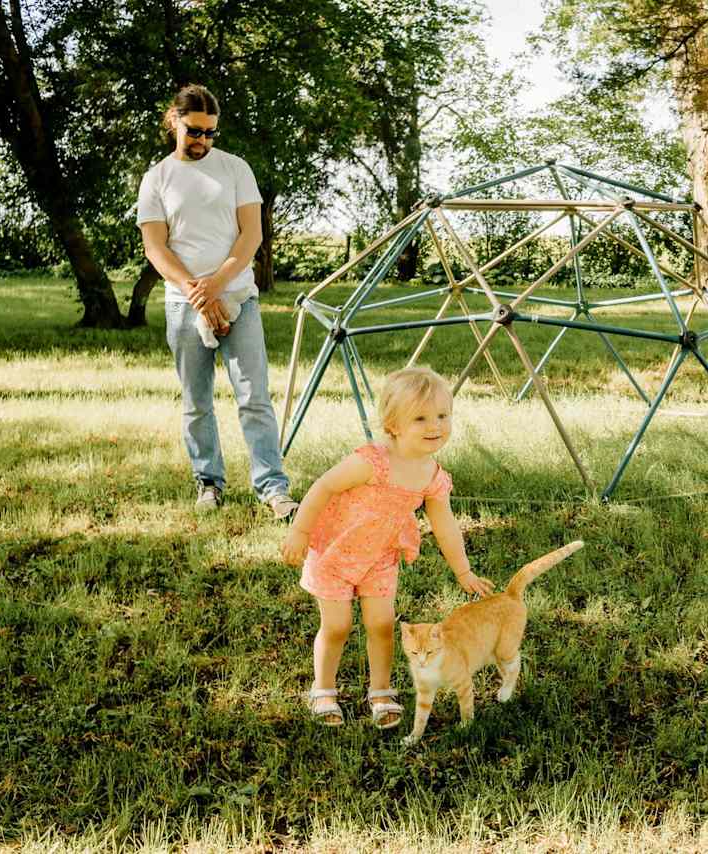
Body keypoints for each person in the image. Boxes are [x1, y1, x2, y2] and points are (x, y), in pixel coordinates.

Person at [280, 367, 495, 727]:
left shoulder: (432, 475)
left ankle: (380, 690)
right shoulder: (372, 462)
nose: (435, 426)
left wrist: (464, 570)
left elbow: (445, 526)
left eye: (443, 416)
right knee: (337, 626)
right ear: (393, 424)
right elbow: (324, 486)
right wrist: (300, 531)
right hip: (335, 553)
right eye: (421, 418)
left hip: (379, 558)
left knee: (381, 624)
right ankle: (323, 689)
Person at [136, 83, 297, 519]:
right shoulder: (157, 178)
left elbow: (252, 235)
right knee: (196, 400)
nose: (202, 141)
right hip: (182, 304)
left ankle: (273, 487)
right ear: (174, 121)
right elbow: (156, 248)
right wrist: (197, 293)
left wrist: (217, 286)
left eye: (210, 132)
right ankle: (208, 482)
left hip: (238, 298)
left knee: (254, 397)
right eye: (193, 131)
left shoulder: (236, 169)